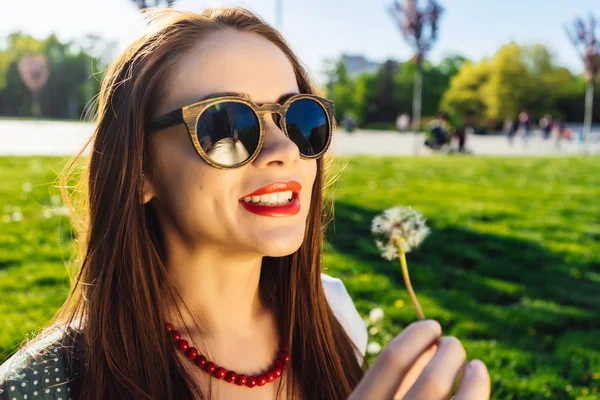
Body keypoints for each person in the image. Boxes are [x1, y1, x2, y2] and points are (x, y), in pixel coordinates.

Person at [0, 7, 490, 400]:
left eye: (300, 118)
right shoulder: (42, 385)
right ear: (139, 169)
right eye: (228, 126)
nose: (285, 151)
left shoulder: (335, 312)